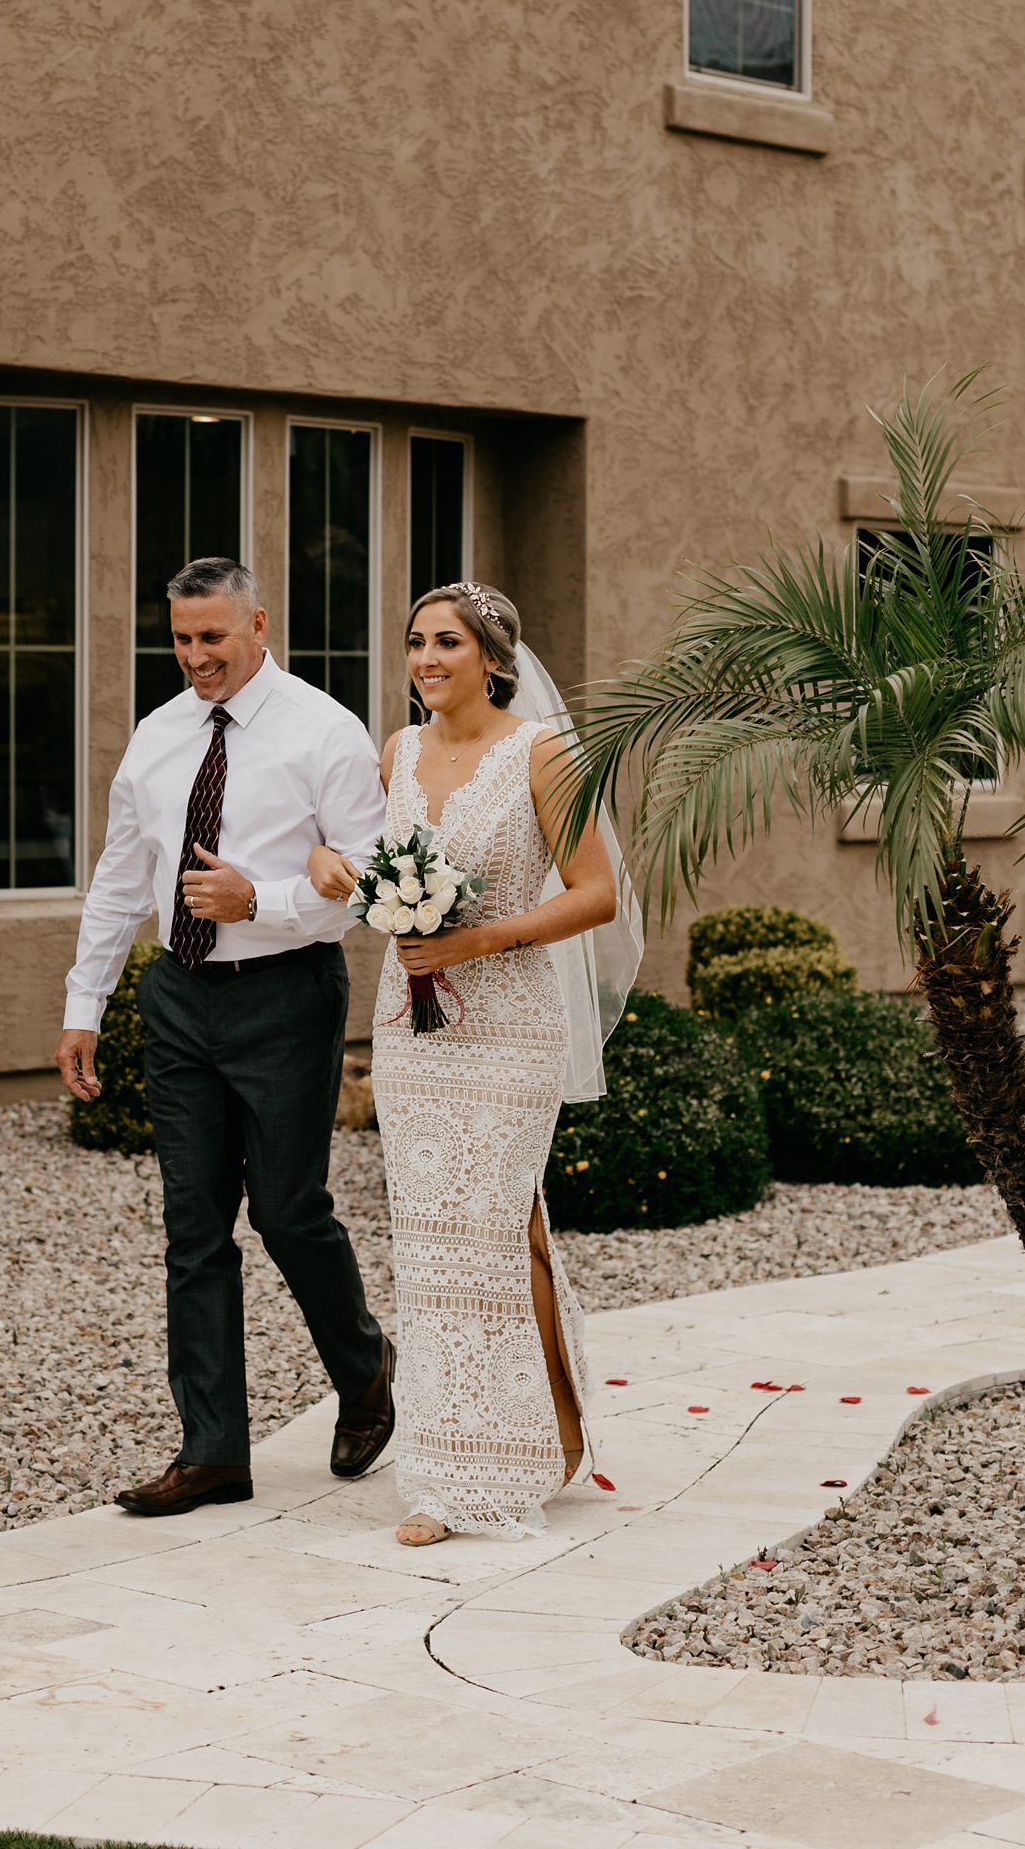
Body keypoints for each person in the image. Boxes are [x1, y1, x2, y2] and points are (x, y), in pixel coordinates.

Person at [56, 555, 395, 1517]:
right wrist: (87, 1005)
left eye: (213, 636)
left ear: (258, 625)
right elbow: (123, 880)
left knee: (289, 1212)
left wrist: (265, 899)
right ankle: (213, 1453)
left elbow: (369, 882)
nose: (196, 657)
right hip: (179, 999)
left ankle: (365, 1370)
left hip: (286, 994)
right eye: (181, 638)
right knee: (192, 1229)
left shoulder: (324, 731)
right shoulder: (158, 737)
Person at [310, 581, 640, 1545]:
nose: (426, 660)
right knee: (430, 1243)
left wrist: (479, 941)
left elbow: (596, 893)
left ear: (493, 658)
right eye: (415, 643)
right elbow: (375, 873)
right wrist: (338, 871)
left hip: (508, 1027)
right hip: (413, 1030)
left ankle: (484, 1476)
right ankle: (488, 1446)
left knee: (488, 1231)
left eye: (447, 643)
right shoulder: (399, 752)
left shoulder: (543, 751)